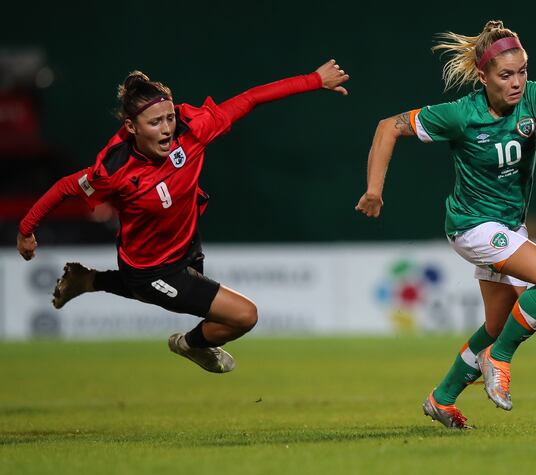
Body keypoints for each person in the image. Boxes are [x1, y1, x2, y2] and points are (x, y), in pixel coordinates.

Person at [17, 60, 350, 373]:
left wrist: (315, 80)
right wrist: (26, 230)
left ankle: (89, 280)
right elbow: (63, 187)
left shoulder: (193, 132)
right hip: (149, 269)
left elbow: (250, 99)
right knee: (245, 316)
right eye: (154, 122)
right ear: (131, 127)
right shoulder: (114, 171)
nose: (166, 130)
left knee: (219, 316)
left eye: (169, 118)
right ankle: (188, 344)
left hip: (188, 248)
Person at [356, 20, 536, 429]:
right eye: (506, 75)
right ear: (483, 76)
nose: (518, 82)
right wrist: (374, 190)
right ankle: (499, 358)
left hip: (508, 227)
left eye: (522, 71)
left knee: (497, 324)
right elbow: (388, 127)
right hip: (472, 227)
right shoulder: (460, 115)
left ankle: (443, 398)